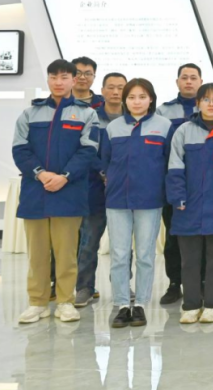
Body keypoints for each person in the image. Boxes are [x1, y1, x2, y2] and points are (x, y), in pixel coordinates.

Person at [14, 59, 99, 324]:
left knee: (66, 253)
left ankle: (65, 302)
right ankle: (37, 302)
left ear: (74, 80)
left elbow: (88, 150)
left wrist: (65, 177)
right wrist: (40, 173)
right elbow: (20, 149)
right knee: (37, 253)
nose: (58, 82)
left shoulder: (87, 114)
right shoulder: (30, 113)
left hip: (69, 192)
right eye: (53, 77)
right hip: (35, 191)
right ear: (48, 80)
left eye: (64, 77)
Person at [166, 83, 213, 324]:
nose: (211, 104)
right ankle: (190, 305)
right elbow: (174, 167)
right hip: (187, 206)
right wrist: (178, 197)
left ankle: (212, 305)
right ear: (197, 103)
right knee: (189, 259)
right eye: (206, 99)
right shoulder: (184, 131)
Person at [99, 78, 171, 328]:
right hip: (117, 199)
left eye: (142, 97)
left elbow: (169, 162)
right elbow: (105, 160)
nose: (137, 102)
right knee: (119, 255)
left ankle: (140, 304)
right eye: (131, 97)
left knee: (145, 255)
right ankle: (121, 304)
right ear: (125, 100)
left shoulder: (164, 126)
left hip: (149, 200)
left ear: (151, 99)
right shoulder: (113, 127)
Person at [73, 70, 126, 308]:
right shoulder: (91, 117)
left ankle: (122, 286)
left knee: (121, 245)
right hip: (94, 189)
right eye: (111, 87)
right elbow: (86, 149)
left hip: (123, 190)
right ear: (102, 91)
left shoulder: (132, 119)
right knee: (89, 242)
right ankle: (84, 288)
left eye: (121, 88)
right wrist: (105, 172)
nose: (115, 92)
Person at [156, 63, 203, 306]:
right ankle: (175, 283)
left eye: (193, 78)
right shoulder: (163, 111)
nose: (189, 82)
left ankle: (201, 282)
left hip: (203, 186)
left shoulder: (210, 108)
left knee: (203, 236)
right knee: (173, 236)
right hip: (172, 184)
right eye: (184, 77)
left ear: (201, 82)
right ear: (177, 82)